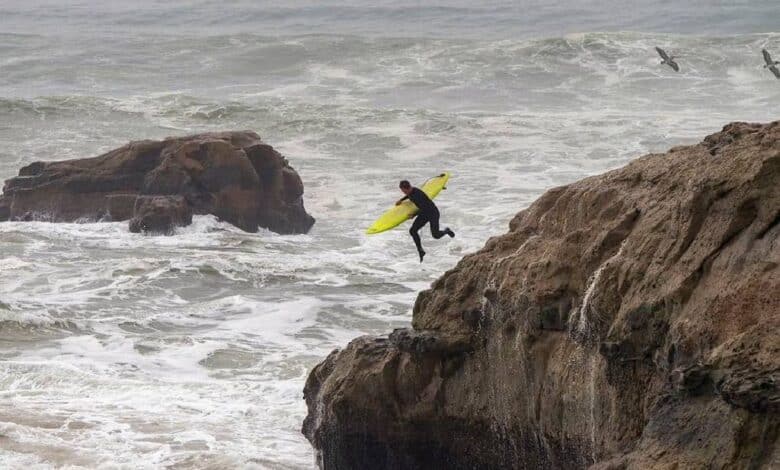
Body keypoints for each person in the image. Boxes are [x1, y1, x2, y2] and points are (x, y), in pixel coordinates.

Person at [396, 180, 454, 262]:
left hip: (432, 213)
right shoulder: (412, 191)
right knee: (412, 231)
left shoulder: (417, 195)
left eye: (403, 191)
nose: (403, 193)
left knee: (436, 235)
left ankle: (446, 231)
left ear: (407, 188)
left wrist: (413, 215)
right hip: (424, 214)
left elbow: (424, 208)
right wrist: (401, 200)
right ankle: (420, 250)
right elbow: (409, 195)